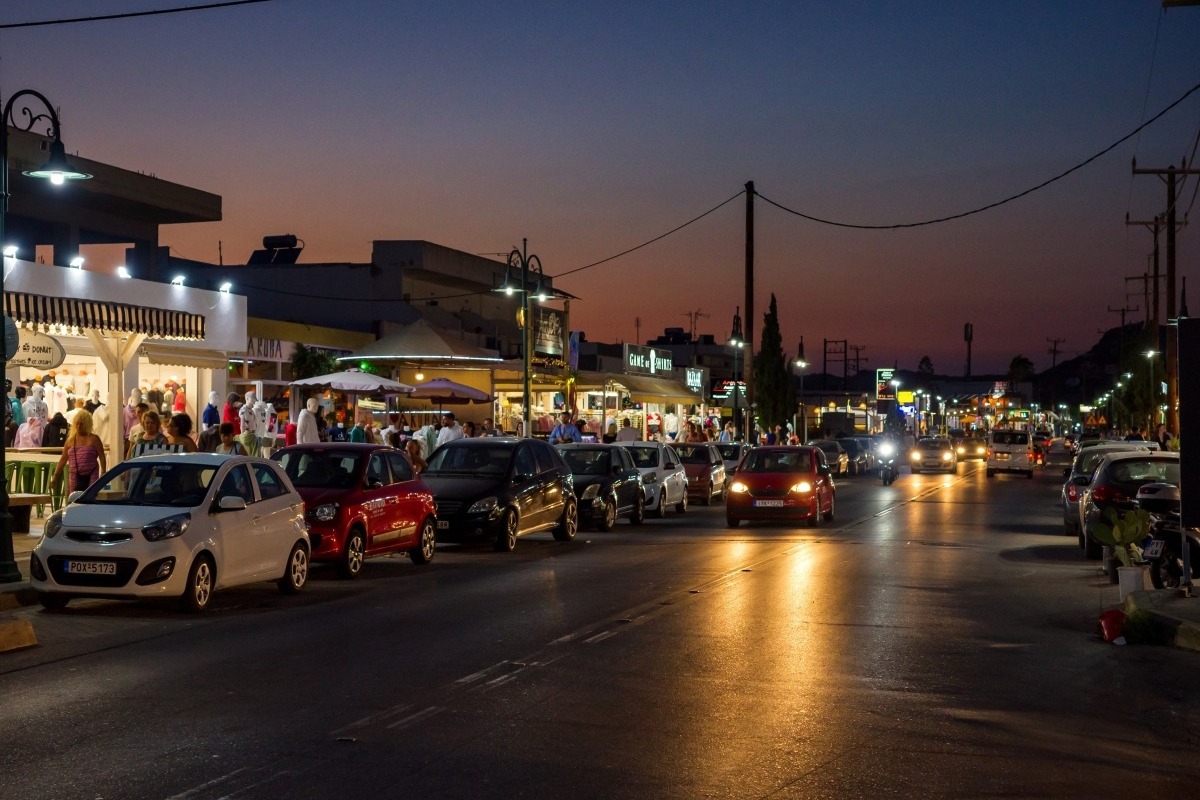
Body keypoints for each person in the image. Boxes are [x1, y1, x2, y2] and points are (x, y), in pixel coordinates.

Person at [52, 409, 107, 495]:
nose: (78, 426)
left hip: (92, 475)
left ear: (87, 424)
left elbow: (102, 456)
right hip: (74, 477)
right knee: (74, 501)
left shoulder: (94, 439)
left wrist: (103, 473)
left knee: (90, 500)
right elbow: (63, 460)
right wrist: (55, 476)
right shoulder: (70, 441)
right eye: (77, 423)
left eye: (81, 424)